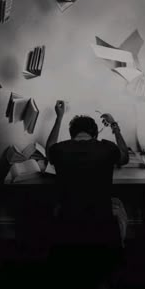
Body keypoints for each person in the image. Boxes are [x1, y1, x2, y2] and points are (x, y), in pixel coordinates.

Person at [45, 100, 129, 248]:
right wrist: (114, 126)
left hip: (69, 218)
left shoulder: (60, 150)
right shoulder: (107, 148)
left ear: (72, 134)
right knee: (118, 203)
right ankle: (118, 244)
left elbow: (49, 149)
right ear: (95, 134)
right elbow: (125, 157)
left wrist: (59, 117)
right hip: (101, 219)